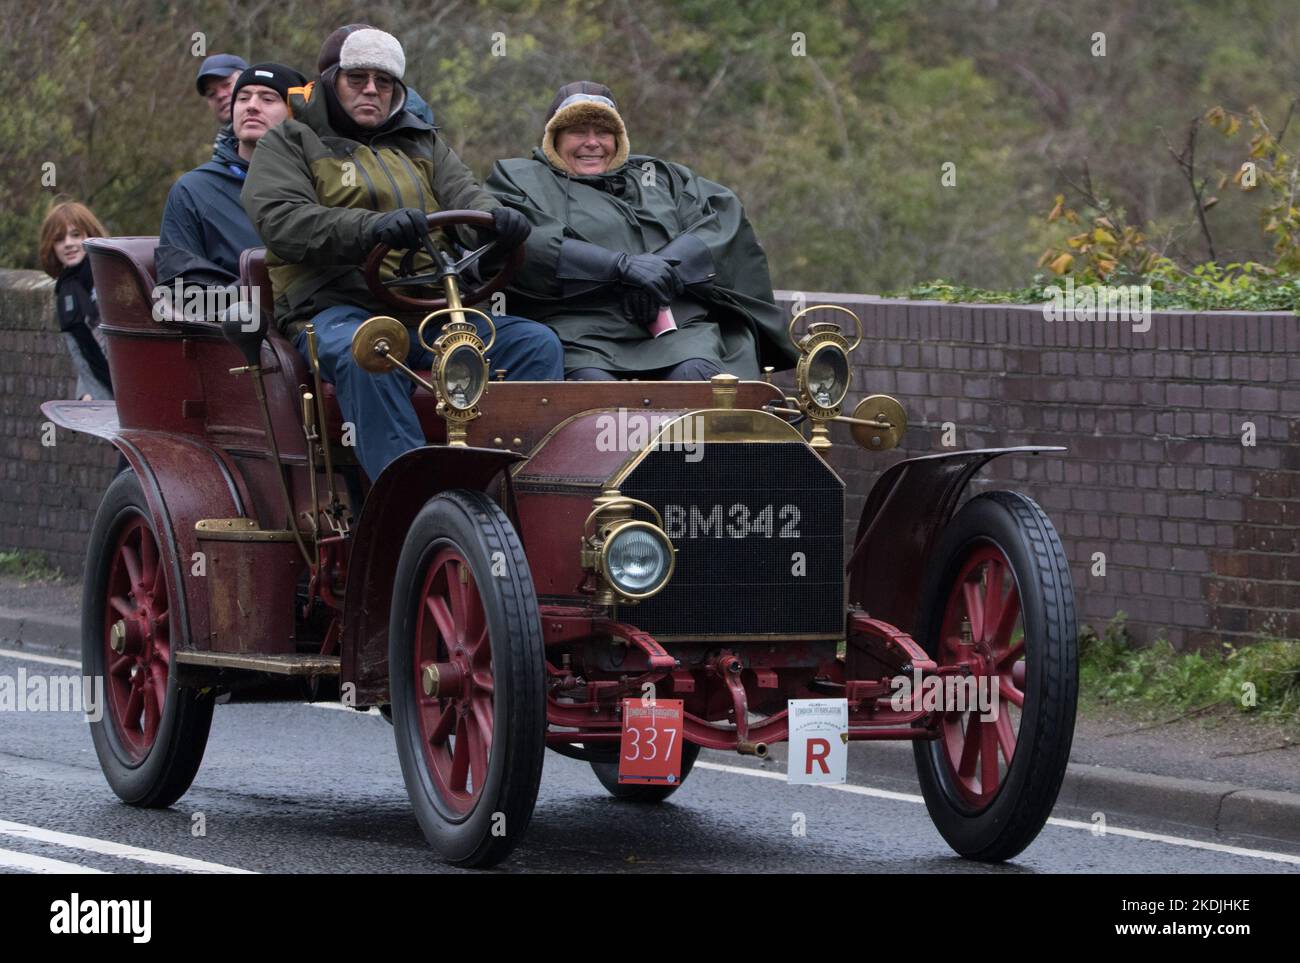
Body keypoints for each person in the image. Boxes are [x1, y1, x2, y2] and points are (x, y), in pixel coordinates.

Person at [242, 26, 564, 482]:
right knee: (370, 353)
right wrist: (370, 229)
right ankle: (413, 504)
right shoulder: (289, 141)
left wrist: (499, 221)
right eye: (358, 79)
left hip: (430, 310)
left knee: (535, 344)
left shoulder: (422, 141)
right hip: (335, 312)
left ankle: (510, 486)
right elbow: (283, 221)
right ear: (331, 81)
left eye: (384, 81)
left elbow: (467, 196)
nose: (371, 90)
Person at [485, 81, 797, 381]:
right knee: (593, 401)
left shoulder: (661, 176)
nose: (592, 142)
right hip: (579, 331)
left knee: (701, 382)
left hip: (673, 327)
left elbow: (720, 222)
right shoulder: (519, 178)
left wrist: (658, 275)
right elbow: (528, 242)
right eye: (578, 131)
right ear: (554, 138)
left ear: (618, 139)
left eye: (604, 132)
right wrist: (620, 269)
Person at [157, 62, 305, 286]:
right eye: (243, 98)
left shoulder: (321, 179)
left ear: (295, 114)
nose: (251, 106)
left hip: (322, 315)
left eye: (268, 99)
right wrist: (249, 296)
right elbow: (181, 289)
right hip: (240, 318)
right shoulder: (193, 190)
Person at [38, 200, 113, 400]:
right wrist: (86, 392)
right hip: (103, 401)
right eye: (60, 239)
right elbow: (87, 349)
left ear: (91, 235)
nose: (69, 243)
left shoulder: (108, 279)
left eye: (76, 235)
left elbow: (111, 344)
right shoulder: (68, 288)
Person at [195, 53, 248, 126]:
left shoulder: (267, 132)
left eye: (227, 85)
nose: (220, 95)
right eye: (211, 93)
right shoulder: (224, 137)